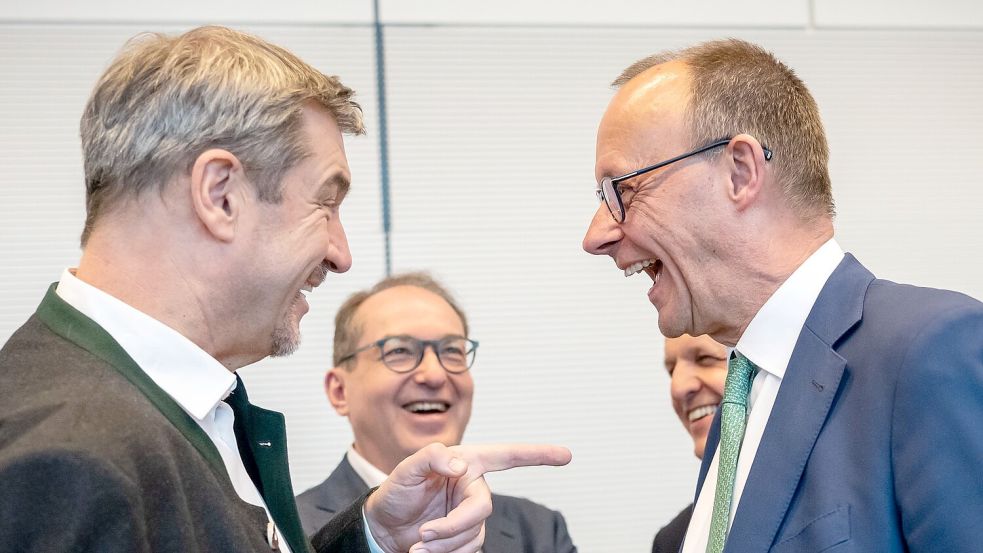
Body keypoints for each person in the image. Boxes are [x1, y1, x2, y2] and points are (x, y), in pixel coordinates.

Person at [0, 26, 569, 553]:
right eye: (326, 202)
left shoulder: (162, 409)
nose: (341, 255)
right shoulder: (64, 462)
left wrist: (373, 537)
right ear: (220, 194)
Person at [583, 38, 983, 552]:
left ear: (740, 171)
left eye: (623, 190)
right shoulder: (740, 401)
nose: (596, 235)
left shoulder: (931, 351)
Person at [296, 273, 578, 552]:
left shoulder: (538, 530)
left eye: (452, 351)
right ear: (340, 391)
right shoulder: (285, 529)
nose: (434, 374)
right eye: (400, 351)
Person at [652, 334, 727, 553]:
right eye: (671, 370)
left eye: (704, 358)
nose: (677, 387)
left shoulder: (822, 507)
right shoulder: (672, 542)